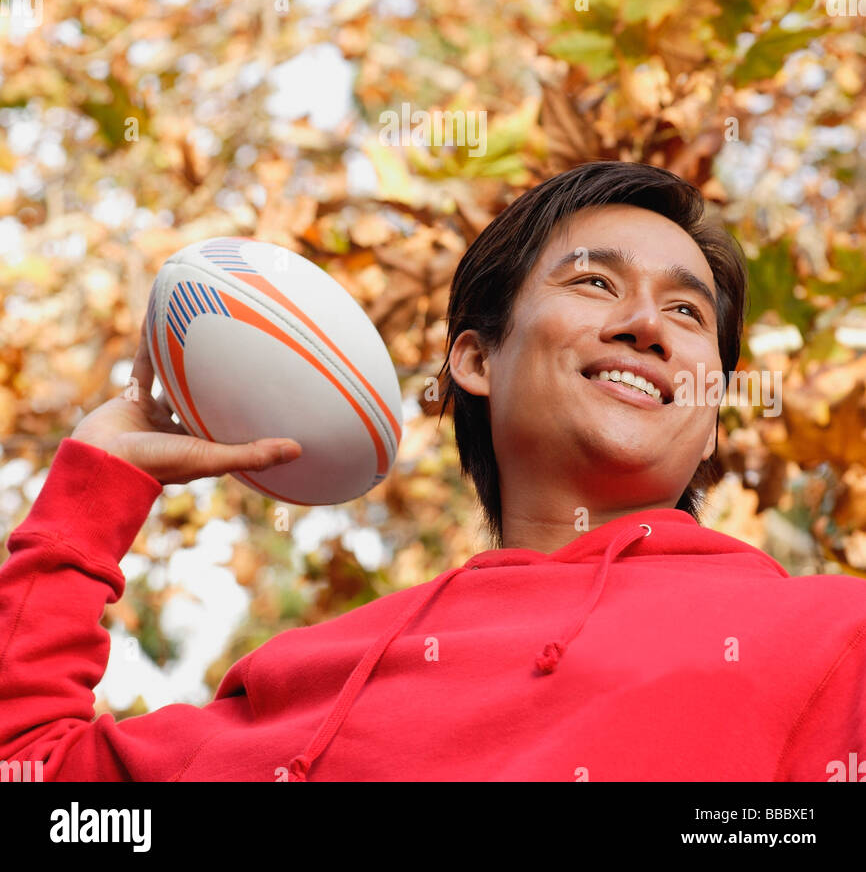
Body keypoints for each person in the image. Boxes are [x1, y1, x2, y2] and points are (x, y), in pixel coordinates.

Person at [1, 160, 864, 782]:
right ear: (475, 359)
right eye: (596, 283)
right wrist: (96, 487)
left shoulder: (836, 638)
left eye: (686, 309)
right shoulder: (309, 675)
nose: (647, 323)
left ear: (711, 403)